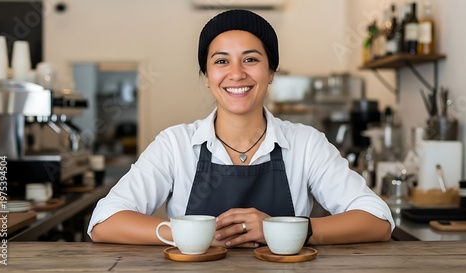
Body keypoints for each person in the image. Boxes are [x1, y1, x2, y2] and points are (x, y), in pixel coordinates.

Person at [88, 9, 395, 247]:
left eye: (250, 59)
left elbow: (377, 220)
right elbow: (104, 222)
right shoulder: (175, 144)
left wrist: (282, 230)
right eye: (221, 61)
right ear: (206, 76)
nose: (236, 74)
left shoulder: (306, 144)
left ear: (271, 72)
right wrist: (192, 235)